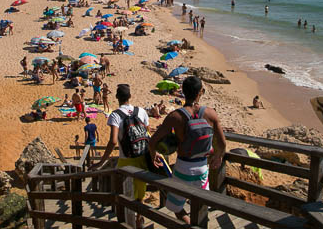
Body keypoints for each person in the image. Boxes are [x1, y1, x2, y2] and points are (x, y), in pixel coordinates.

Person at [149, 76, 226, 225]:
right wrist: (218, 157)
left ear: (183, 92)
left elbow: (152, 142)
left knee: (175, 207)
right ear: (200, 93)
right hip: (203, 167)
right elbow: (222, 143)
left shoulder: (175, 116)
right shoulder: (210, 113)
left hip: (183, 168)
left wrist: (154, 155)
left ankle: (188, 223)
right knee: (201, 206)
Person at [92, 84, 149, 228]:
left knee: (124, 195)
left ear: (116, 97)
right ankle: (139, 218)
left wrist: (101, 162)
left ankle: (127, 222)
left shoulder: (115, 115)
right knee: (140, 195)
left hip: (126, 161)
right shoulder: (141, 111)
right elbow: (147, 134)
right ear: (130, 96)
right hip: (142, 159)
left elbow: (113, 141)